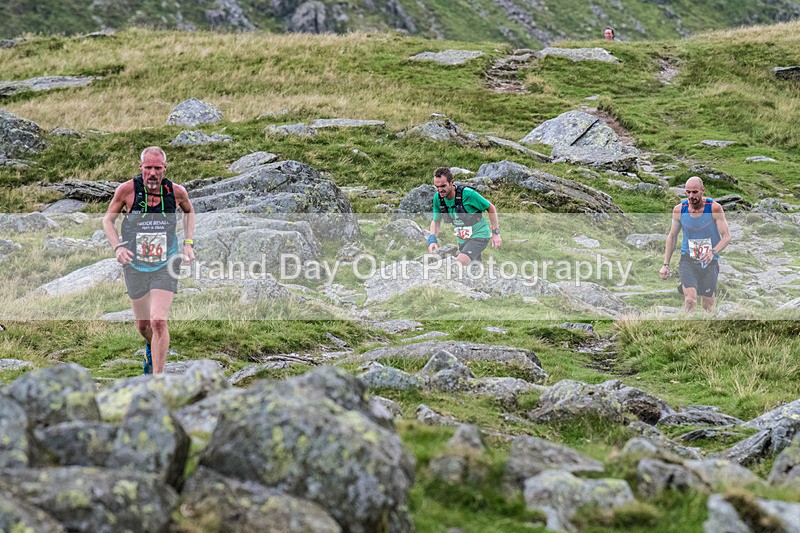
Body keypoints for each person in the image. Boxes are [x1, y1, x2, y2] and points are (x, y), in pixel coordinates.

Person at [103, 146, 195, 374]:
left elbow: (189, 212)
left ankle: (158, 380)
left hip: (166, 263)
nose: (152, 173)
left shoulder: (176, 191)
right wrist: (117, 248)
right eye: (148, 168)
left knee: (158, 321)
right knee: (144, 326)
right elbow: (108, 220)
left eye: (157, 168)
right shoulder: (126, 190)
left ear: (165, 168)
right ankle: (150, 347)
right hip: (135, 265)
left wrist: (188, 243)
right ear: (140, 167)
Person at [659, 176, 731, 311]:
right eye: (688, 192)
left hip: (710, 262)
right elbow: (672, 237)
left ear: (702, 190)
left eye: (695, 192)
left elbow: (726, 237)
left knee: (708, 305)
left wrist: (712, 252)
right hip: (688, 260)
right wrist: (665, 265)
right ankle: (687, 328)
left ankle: (707, 329)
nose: (691, 196)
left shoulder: (714, 208)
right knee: (690, 299)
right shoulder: (679, 210)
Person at [427, 167, 501, 265]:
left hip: (479, 235)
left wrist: (495, 233)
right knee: (473, 269)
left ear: (451, 182)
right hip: (462, 239)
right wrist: (432, 240)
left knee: (459, 263)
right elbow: (436, 222)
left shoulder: (468, 194)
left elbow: (491, 208)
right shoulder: (438, 198)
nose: (440, 190)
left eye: (443, 186)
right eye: (437, 187)